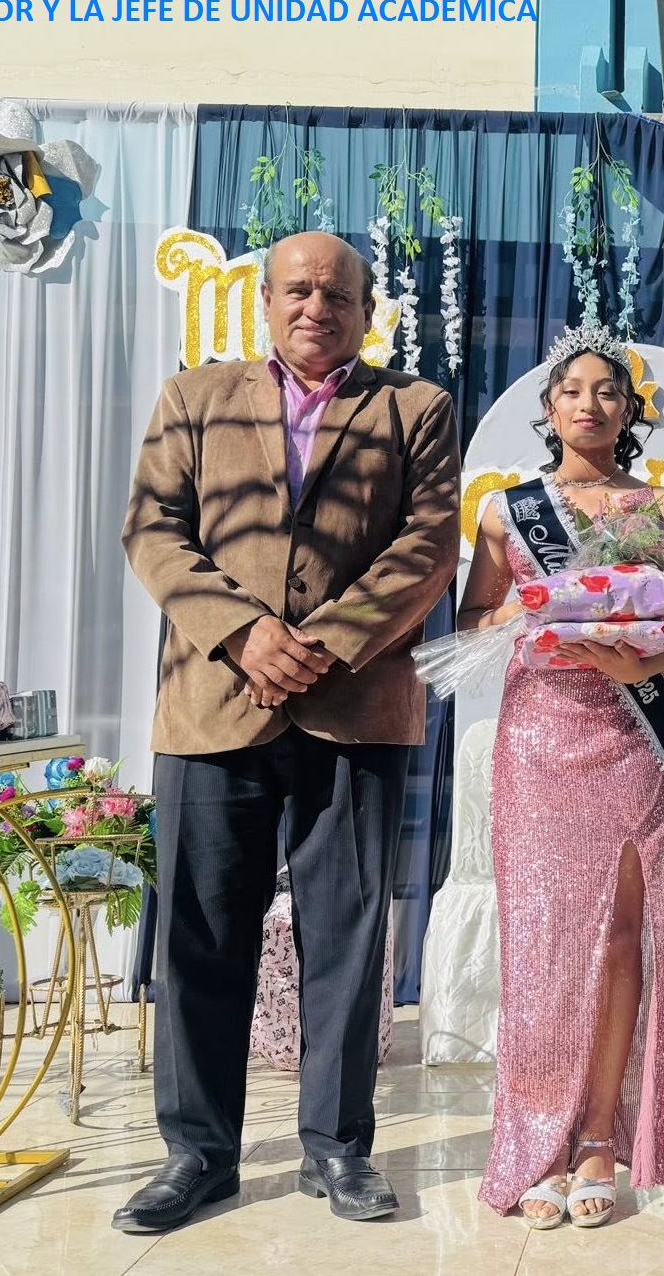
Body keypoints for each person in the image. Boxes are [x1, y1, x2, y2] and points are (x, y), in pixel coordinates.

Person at [116, 230, 461, 1233]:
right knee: (200, 933)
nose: (317, 307)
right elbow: (154, 529)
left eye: (337, 294)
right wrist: (243, 633)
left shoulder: (415, 407)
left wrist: (325, 642)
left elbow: (428, 543)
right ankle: (198, 1153)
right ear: (264, 302)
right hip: (211, 704)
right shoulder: (195, 397)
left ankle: (339, 1148)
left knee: (347, 935)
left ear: (366, 311)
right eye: (298, 291)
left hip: (354, 707)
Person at [457, 323, 664, 1229]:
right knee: (542, 943)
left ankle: (597, 1134)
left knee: (625, 936)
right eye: (572, 390)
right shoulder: (504, 511)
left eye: (607, 391)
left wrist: (639, 658)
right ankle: (538, 1140)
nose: (590, 404)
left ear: (629, 409)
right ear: (549, 408)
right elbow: (475, 618)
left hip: (630, 733)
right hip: (538, 738)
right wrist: (541, 610)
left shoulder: (662, 507)